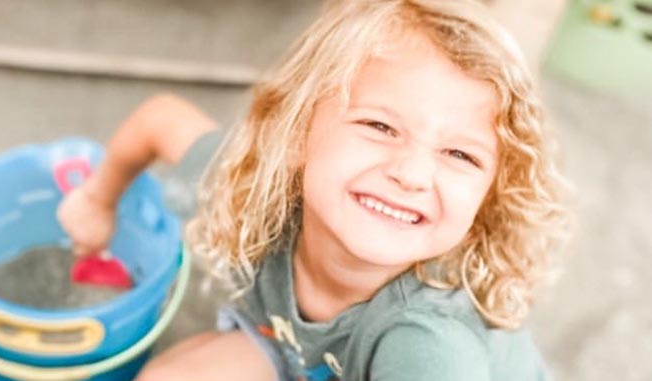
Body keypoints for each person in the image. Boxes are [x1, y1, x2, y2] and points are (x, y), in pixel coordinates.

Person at [57, 0, 571, 379]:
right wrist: (97, 201)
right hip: (298, 351)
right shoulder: (258, 187)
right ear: (296, 132)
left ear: (489, 198)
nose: (412, 174)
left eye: (460, 155)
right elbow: (161, 120)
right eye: (380, 126)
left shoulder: (430, 347)